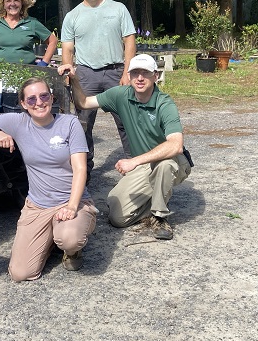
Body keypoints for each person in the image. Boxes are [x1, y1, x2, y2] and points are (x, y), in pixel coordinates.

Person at [0, 77, 96, 281]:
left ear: (51, 97)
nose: (39, 102)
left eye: (43, 96)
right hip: (38, 205)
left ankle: (71, 249)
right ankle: (47, 240)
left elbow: (80, 168)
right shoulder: (19, 122)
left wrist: (73, 206)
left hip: (72, 200)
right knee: (20, 273)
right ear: (23, 104)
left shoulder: (69, 123)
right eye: (31, 99)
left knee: (69, 239)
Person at [59, 54, 192, 240]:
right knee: (117, 217)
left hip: (172, 161)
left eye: (145, 73)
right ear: (128, 76)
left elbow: (176, 145)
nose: (139, 78)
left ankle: (159, 216)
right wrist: (75, 79)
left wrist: (134, 161)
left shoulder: (164, 103)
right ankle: (155, 197)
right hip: (144, 165)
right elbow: (84, 103)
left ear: (156, 75)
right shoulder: (120, 95)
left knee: (164, 166)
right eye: (135, 73)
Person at [60, 0, 136, 178]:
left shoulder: (118, 9)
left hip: (115, 71)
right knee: (83, 125)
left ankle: (134, 166)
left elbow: (129, 40)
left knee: (126, 120)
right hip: (86, 74)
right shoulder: (72, 16)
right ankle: (85, 171)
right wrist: (69, 74)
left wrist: (127, 72)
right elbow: (67, 48)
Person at [0, 0, 58, 65]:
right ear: (3, 5)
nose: (12, 4)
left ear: (22, 4)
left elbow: (53, 41)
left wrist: (44, 62)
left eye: (16, 0)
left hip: (27, 72)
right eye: (8, 1)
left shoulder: (32, 22)